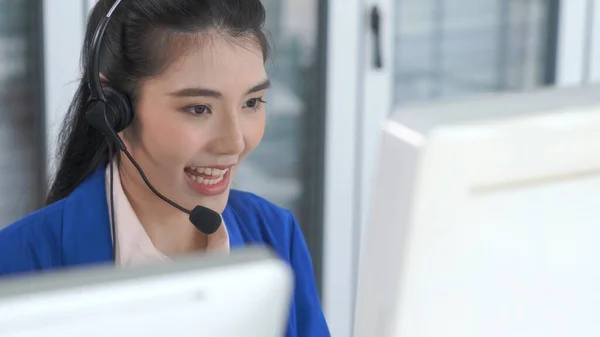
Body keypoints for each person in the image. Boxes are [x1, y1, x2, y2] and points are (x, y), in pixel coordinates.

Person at [0, 0, 330, 336]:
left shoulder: (274, 235)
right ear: (114, 111)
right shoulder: (17, 264)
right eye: (199, 109)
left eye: (251, 103)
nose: (234, 142)